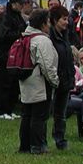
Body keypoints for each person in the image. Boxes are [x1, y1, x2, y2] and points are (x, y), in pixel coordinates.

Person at [18, 9, 59, 154]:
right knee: (39, 116)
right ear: (43, 24)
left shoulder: (25, 37)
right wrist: (55, 81)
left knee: (27, 115)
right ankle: (37, 146)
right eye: (48, 22)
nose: (50, 25)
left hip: (26, 80)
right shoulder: (42, 40)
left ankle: (25, 146)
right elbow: (47, 65)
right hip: (40, 81)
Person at [48, 4, 75, 149]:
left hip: (65, 78)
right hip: (53, 78)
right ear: (55, 20)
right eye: (63, 19)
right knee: (48, 111)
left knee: (61, 113)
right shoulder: (49, 37)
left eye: (67, 19)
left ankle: (60, 139)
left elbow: (68, 58)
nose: (66, 22)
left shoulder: (65, 35)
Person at [0, 0, 26, 120]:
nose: (22, 6)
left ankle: (9, 109)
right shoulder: (4, 17)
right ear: (13, 4)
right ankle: (1, 111)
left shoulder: (18, 16)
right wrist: (19, 34)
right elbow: (2, 35)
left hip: (17, 55)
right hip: (6, 55)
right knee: (5, 83)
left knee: (14, 84)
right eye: (20, 4)